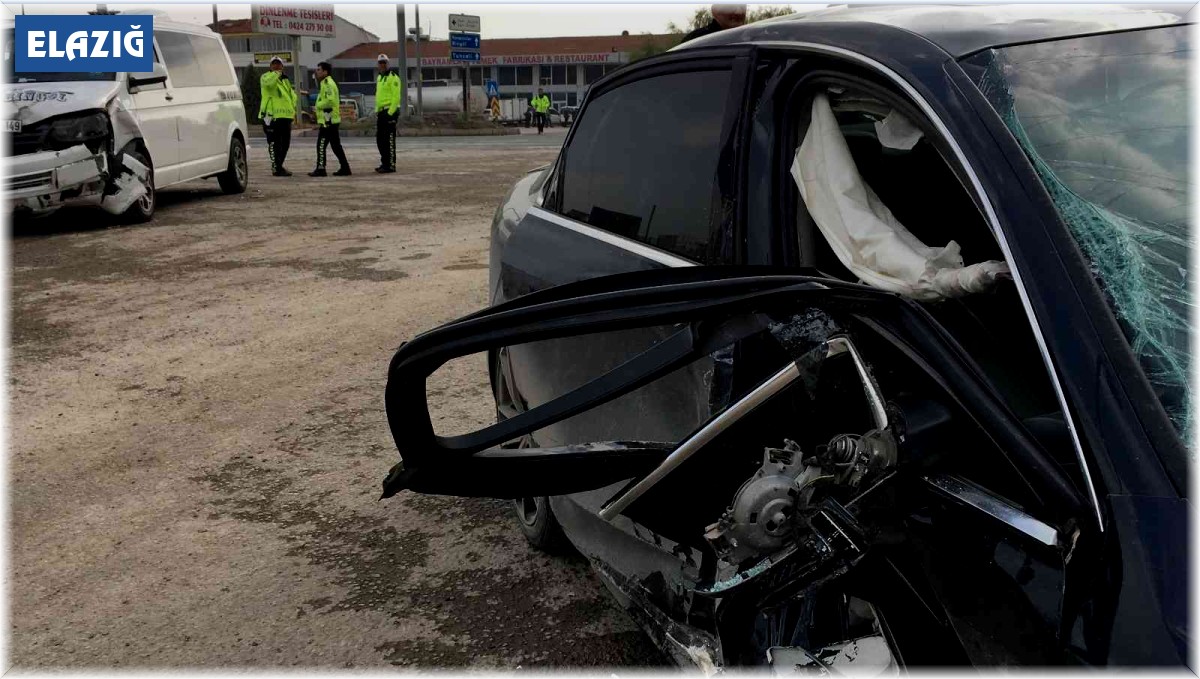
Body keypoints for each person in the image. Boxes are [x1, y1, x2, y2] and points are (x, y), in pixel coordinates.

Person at [309, 61, 351, 177]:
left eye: (319, 70)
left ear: (325, 72)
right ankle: (345, 167)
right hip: (330, 120)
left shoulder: (328, 84)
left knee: (321, 144)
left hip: (329, 120)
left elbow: (330, 101)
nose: (317, 72)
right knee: (336, 145)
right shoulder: (324, 83)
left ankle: (321, 168)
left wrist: (318, 106)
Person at [260, 56, 298, 176]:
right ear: (270, 66)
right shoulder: (266, 76)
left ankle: (278, 166)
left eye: (279, 64)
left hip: (285, 116)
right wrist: (276, 74)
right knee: (274, 143)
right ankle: (276, 167)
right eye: (274, 64)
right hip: (271, 116)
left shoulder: (285, 80)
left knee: (285, 144)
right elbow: (269, 84)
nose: (276, 66)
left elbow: (292, 96)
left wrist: (292, 110)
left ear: (282, 66)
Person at [374, 54, 401, 174]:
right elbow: (379, 95)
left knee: (389, 139)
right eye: (380, 62)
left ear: (388, 64)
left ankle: (391, 164)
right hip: (381, 112)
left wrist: (391, 113)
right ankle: (384, 162)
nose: (382, 65)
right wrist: (377, 110)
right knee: (380, 140)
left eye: (384, 62)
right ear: (378, 64)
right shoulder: (379, 78)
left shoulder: (393, 77)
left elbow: (396, 97)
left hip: (389, 111)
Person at [681, 4, 747, 43]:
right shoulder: (695, 41)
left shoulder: (752, 38)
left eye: (742, 6)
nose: (739, 12)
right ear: (715, 10)